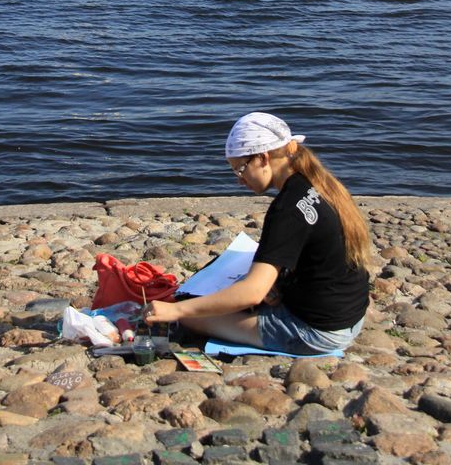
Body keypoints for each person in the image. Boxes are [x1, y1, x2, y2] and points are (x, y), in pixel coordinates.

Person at [144, 112, 370, 354]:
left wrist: (175, 311)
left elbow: (252, 293)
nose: (239, 180)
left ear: (262, 158)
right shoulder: (318, 184)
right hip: (350, 316)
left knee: (189, 313)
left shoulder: (287, 208)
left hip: (317, 332)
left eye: (240, 169)